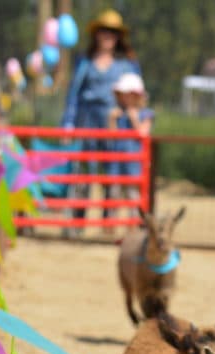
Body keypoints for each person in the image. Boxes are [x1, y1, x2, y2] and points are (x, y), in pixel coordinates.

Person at [61, 10, 141, 225]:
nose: (108, 37)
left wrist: (134, 120)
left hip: (114, 126)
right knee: (83, 173)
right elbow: (73, 95)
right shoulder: (85, 62)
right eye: (105, 32)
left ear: (119, 37)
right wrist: (68, 123)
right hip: (87, 122)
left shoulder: (127, 65)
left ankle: (108, 220)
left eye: (113, 33)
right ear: (96, 34)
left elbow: (137, 97)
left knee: (111, 173)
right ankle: (78, 221)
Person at [109, 72, 154, 211]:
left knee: (132, 194)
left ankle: (133, 225)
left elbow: (143, 132)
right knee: (113, 194)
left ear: (135, 95)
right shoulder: (118, 113)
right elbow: (112, 136)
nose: (123, 98)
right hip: (117, 160)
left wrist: (134, 118)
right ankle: (110, 227)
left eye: (126, 94)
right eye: (122, 94)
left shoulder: (145, 113)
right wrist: (111, 119)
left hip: (134, 162)